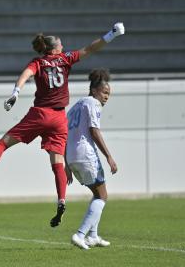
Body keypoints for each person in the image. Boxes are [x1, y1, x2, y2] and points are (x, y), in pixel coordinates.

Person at [0, 22, 125, 227]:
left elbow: (25, 75)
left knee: (2, 143)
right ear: (55, 48)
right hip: (58, 119)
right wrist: (111, 34)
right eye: (61, 44)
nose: (64, 47)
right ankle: (61, 200)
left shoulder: (38, 63)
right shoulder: (65, 59)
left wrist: (16, 93)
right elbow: (92, 48)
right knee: (57, 161)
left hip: (39, 114)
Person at [66, 69, 117, 250]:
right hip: (86, 154)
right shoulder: (93, 103)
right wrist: (109, 156)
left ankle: (93, 236)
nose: (106, 97)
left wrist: (66, 164)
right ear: (94, 90)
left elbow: (64, 135)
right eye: (104, 92)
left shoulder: (73, 108)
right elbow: (94, 131)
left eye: (108, 94)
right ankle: (80, 234)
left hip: (72, 156)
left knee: (97, 194)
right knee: (103, 195)